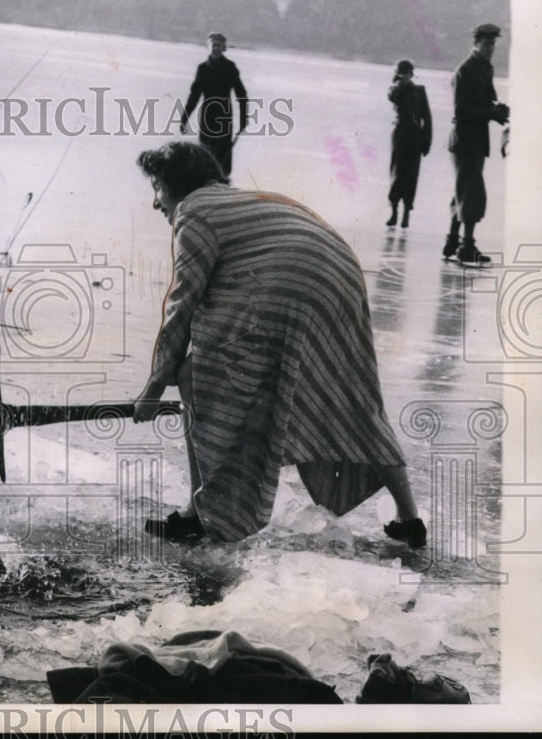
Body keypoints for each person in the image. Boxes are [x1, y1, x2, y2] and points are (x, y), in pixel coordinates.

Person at [131, 142, 425, 549]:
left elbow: (183, 302)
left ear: (176, 185)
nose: (155, 202)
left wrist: (152, 388)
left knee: (191, 376)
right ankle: (409, 518)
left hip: (297, 281)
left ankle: (198, 513)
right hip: (338, 276)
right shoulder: (233, 201)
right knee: (352, 397)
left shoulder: (195, 211)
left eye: (157, 187)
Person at [443, 23, 509, 265]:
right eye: (486, 44)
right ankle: (466, 246)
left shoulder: (483, 68)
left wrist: (497, 110)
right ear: (476, 43)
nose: (490, 48)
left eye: (493, 44)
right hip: (465, 141)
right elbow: (461, 110)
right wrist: (491, 113)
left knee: (463, 190)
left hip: (474, 140)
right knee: (472, 192)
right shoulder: (466, 70)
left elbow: (487, 100)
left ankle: (452, 241)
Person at [179, 32, 249, 181]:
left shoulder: (230, 67)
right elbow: (194, 96)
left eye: (219, 45)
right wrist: (184, 119)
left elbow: (241, 94)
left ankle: (221, 188)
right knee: (204, 158)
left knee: (223, 162)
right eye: (213, 45)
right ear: (208, 47)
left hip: (224, 119)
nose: (216, 48)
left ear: (223, 48)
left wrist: (244, 119)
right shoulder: (202, 69)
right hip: (207, 119)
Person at [385, 59, 432, 229]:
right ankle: (394, 212)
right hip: (400, 133)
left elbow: (427, 118)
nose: (406, 75)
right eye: (403, 72)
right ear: (398, 73)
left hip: (415, 136)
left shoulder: (420, 91)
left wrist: (427, 142)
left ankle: (406, 213)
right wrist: (400, 83)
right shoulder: (395, 89)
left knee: (411, 175)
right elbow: (392, 97)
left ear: (413, 73)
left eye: (409, 72)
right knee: (397, 173)